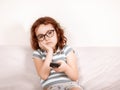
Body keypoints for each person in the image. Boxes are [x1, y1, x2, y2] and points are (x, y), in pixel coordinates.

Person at [30, 16, 83, 90]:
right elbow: (44, 75)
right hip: (50, 87)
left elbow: (75, 77)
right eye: (41, 36)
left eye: (50, 33)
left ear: (57, 32)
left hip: (70, 85)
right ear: (37, 40)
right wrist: (49, 52)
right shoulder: (37, 54)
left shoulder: (67, 49)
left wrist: (66, 68)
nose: (47, 38)